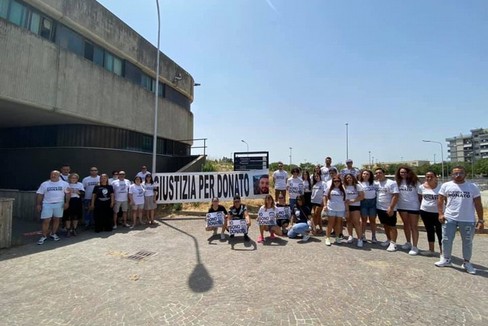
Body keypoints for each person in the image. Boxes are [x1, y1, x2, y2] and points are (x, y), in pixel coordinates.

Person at [435, 166, 484, 274]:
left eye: (460, 173)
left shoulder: (472, 187)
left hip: (467, 219)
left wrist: (481, 220)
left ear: (465, 174)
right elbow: (440, 200)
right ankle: (446, 259)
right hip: (450, 217)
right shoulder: (446, 185)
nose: (458, 175)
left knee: (467, 242)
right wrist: (440, 214)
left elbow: (478, 204)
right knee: (446, 239)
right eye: (455, 173)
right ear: (452, 175)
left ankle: (466, 262)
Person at [36, 170, 70, 245]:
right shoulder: (45, 184)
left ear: (59, 176)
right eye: (52, 174)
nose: (53, 176)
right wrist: (38, 204)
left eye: (55, 174)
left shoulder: (64, 184)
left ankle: (53, 233)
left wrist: (67, 203)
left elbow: (67, 194)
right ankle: (44, 235)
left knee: (56, 219)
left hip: (59, 204)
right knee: (46, 220)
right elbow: (40, 194)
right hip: (47, 204)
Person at [395, 166, 422, 255]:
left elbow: (420, 195)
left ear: (409, 173)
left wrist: (420, 206)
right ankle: (408, 242)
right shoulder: (398, 182)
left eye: (405, 172)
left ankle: (415, 246)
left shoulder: (415, 182)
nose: (403, 174)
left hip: (413, 207)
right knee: (406, 224)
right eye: (401, 172)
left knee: (414, 226)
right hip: (402, 206)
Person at [374, 168, 399, 252]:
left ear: (384, 173)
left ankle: (393, 243)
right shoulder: (376, 184)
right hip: (380, 207)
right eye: (376, 173)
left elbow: (395, 195)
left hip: (389, 208)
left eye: (380, 173)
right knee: (385, 225)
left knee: (392, 226)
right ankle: (388, 239)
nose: (378, 174)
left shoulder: (391, 183)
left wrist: (391, 207)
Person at [419, 171, 442, 255]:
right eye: (427, 176)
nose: (429, 178)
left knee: (440, 232)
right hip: (425, 212)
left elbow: (446, 200)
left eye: (431, 176)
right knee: (429, 230)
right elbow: (420, 198)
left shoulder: (441, 187)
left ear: (436, 177)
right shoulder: (421, 187)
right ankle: (431, 250)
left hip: (438, 213)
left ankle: (442, 252)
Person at [324, 177, 346, 246]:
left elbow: (345, 200)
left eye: (338, 181)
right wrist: (325, 205)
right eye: (335, 181)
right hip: (331, 208)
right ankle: (327, 238)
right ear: (333, 182)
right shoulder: (329, 189)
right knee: (330, 223)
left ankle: (337, 237)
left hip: (340, 209)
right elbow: (324, 196)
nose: (336, 182)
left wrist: (346, 210)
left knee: (338, 224)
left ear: (340, 182)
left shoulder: (343, 190)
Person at [344, 173, 364, 247]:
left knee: (356, 222)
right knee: (348, 221)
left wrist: (353, 200)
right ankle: (350, 236)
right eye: (347, 178)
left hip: (355, 206)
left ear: (353, 178)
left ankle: (359, 239)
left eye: (350, 177)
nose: (349, 179)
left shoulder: (357, 186)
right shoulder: (344, 186)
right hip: (346, 207)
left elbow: (362, 196)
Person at [359, 169, 378, 243]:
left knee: (372, 220)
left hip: (372, 203)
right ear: (361, 175)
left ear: (370, 176)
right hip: (363, 203)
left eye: (367, 174)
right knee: (363, 220)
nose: (365, 175)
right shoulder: (359, 183)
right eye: (364, 174)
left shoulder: (375, 183)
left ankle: (373, 236)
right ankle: (363, 235)